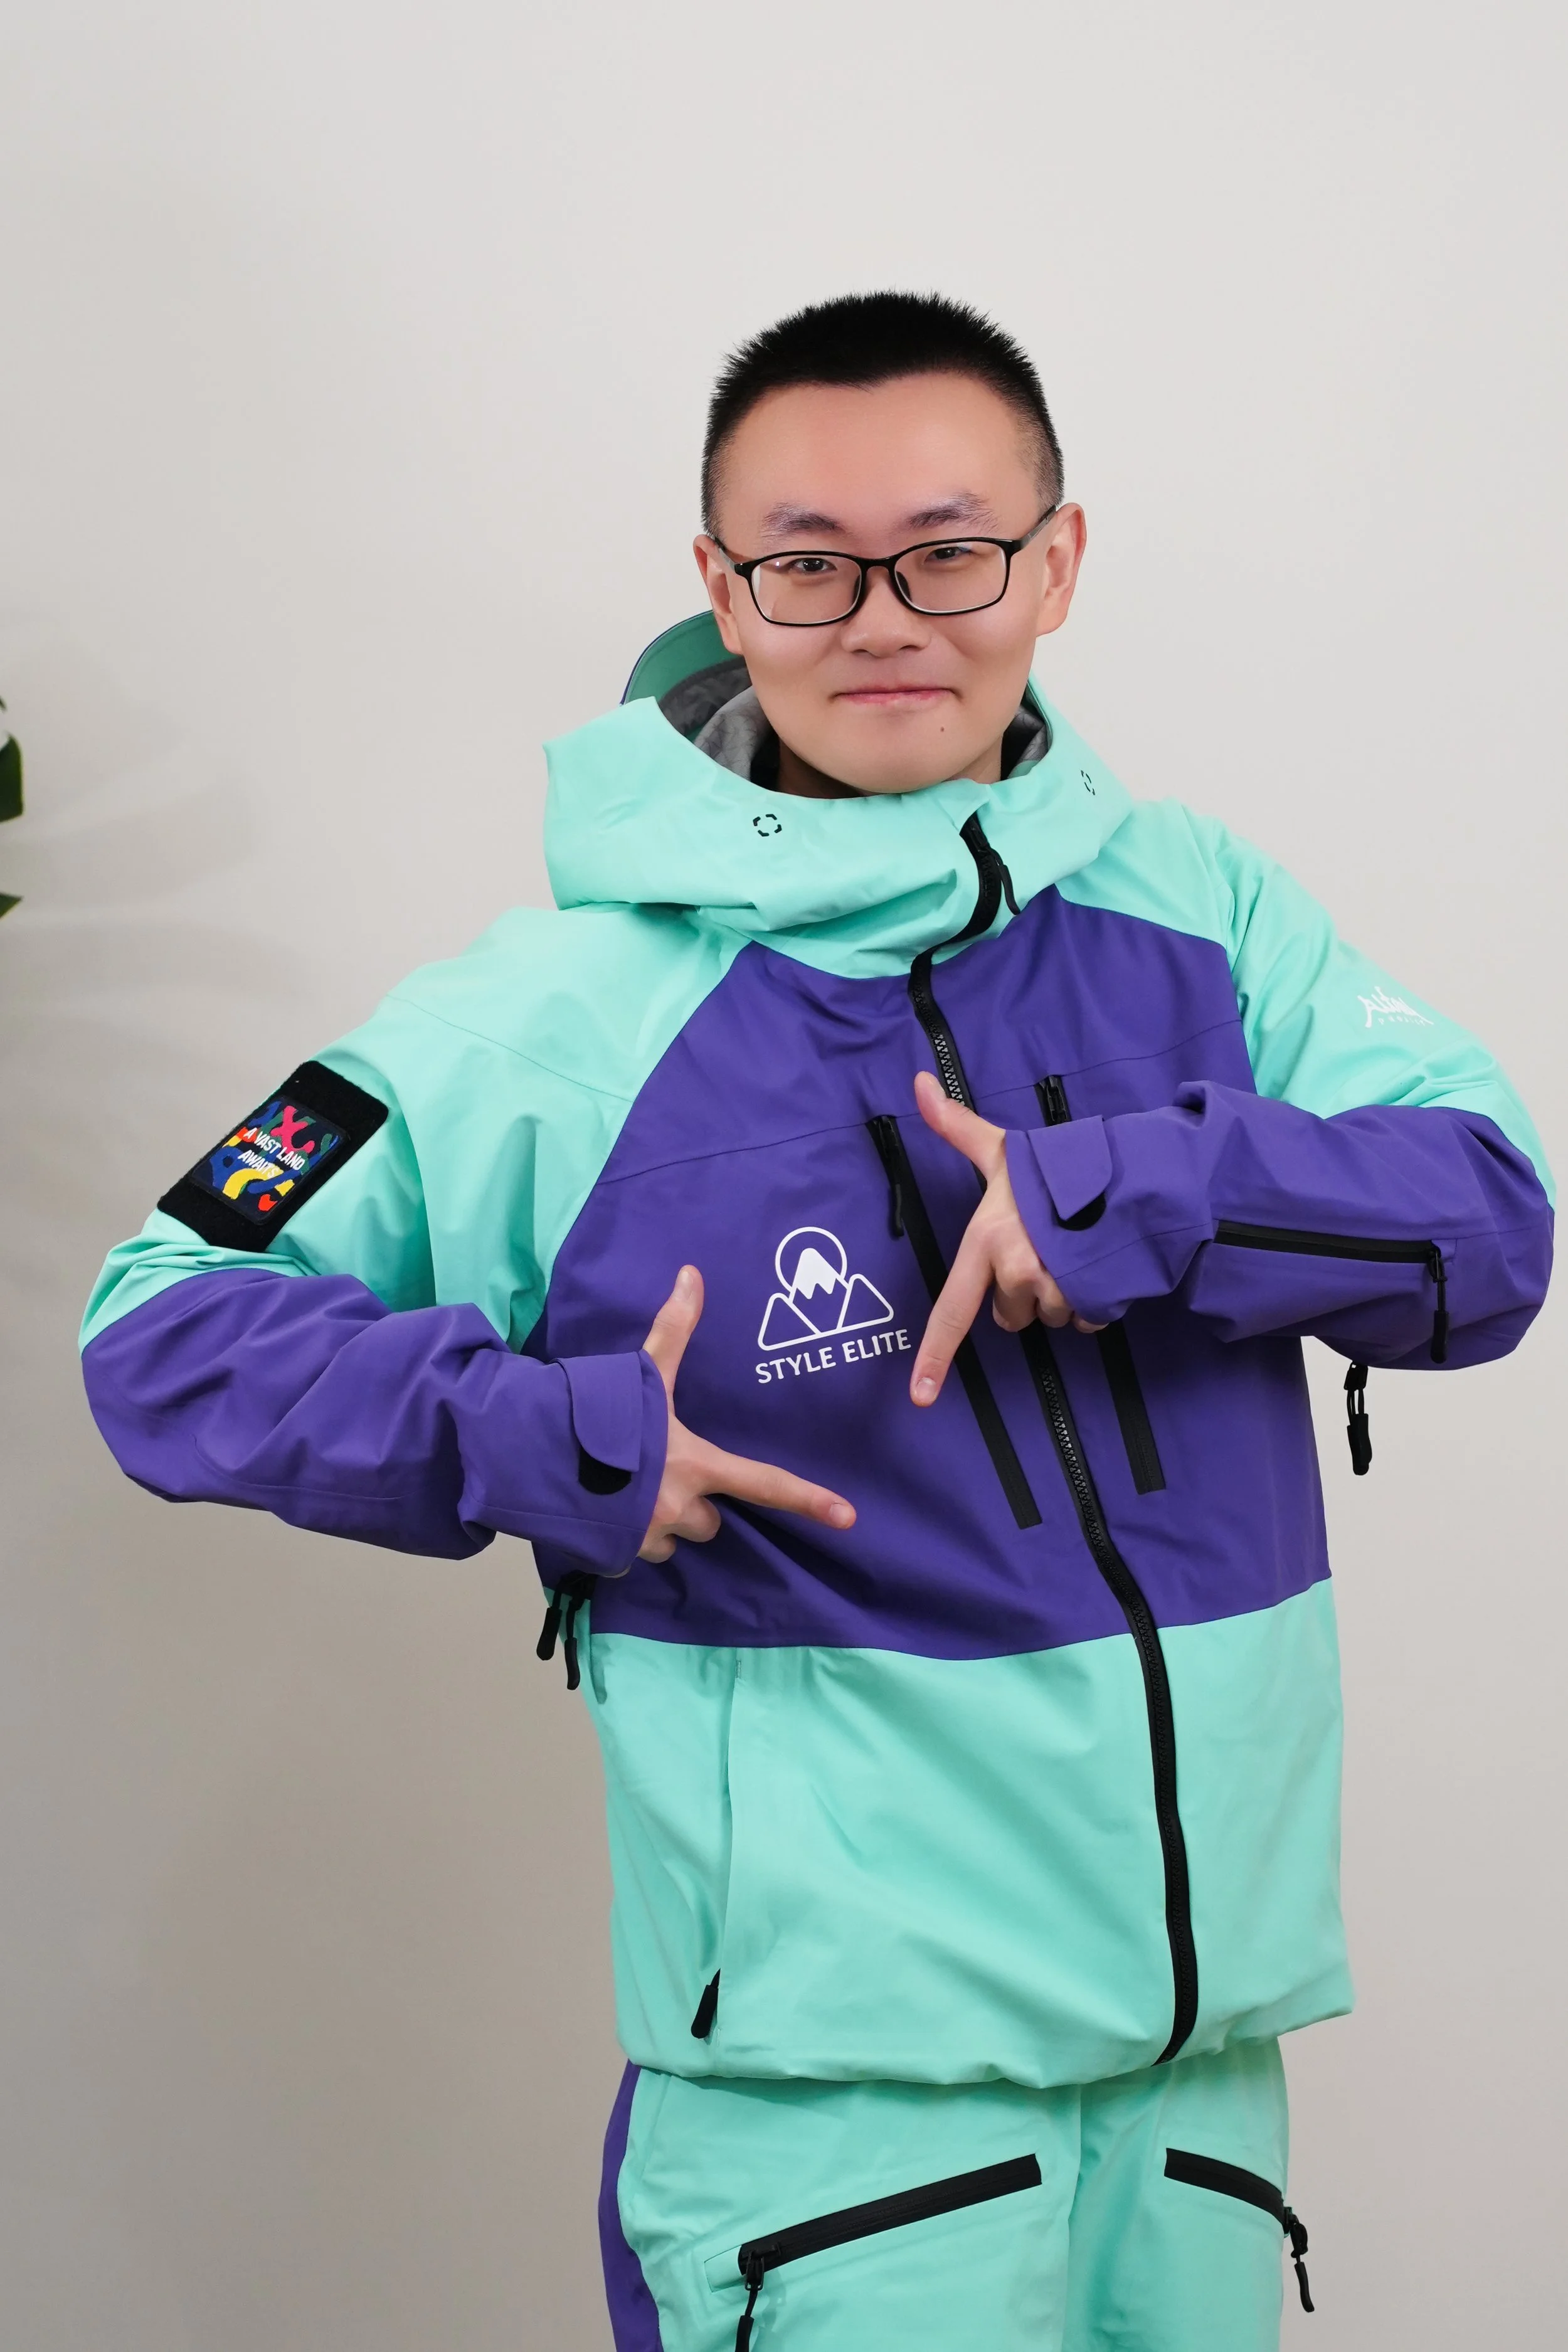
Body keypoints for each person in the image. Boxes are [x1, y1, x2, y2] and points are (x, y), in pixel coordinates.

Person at [81, 293, 1553, 2351]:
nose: (884, 615)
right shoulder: (554, 1016)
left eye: (949, 551)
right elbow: (159, 1320)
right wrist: (541, 1437)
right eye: (806, 561)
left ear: (1055, 559)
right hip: (833, 2134)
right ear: (718, 583)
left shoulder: (1208, 913)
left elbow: (1489, 1219)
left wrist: (1161, 1188)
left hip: (1199, 2087)